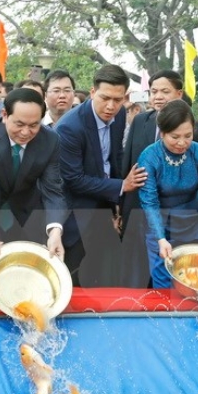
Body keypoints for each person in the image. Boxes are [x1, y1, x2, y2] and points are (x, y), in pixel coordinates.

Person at [0, 88, 67, 284]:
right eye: (19, 124)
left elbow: (53, 190)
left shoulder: (50, 140)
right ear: (4, 115)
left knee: (27, 276)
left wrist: (55, 231)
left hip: (26, 205)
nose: (26, 132)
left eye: (34, 125)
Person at [55, 64, 147, 287]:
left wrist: (117, 206)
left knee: (105, 281)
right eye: (105, 98)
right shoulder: (69, 127)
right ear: (93, 92)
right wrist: (121, 186)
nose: (111, 106)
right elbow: (73, 180)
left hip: (105, 209)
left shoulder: (120, 116)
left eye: (117, 100)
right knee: (73, 282)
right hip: (75, 213)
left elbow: (114, 159)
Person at [120, 69, 198, 287]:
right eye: (153, 92)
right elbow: (127, 166)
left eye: (164, 91)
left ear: (179, 94)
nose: (158, 97)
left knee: (176, 275)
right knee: (139, 274)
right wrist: (121, 207)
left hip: (180, 218)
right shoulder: (140, 121)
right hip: (140, 210)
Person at [137, 100, 198, 287]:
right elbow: (149, 202)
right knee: (163, 279)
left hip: (194, 222)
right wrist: (160, 238)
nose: (182, 143)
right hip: (160, 224)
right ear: (162, 133)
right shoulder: (149, 157)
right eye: (174, 137)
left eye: (188, 136)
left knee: (197, 277)